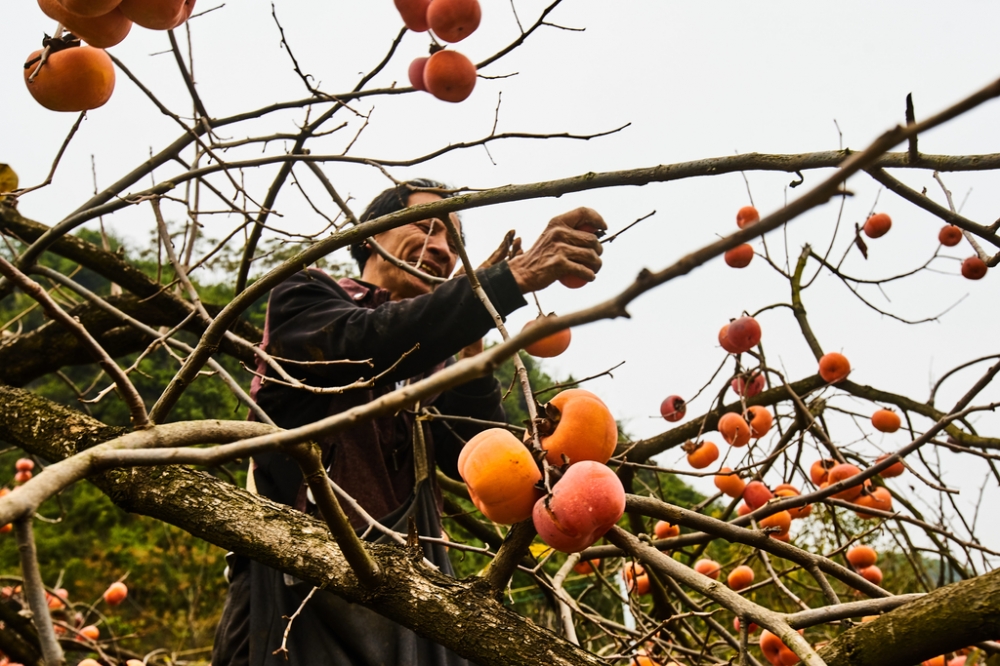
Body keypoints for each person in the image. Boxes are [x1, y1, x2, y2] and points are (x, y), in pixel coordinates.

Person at [212, 179, 606, 666]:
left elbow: (484, 456)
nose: (442, 248)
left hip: (404, 609)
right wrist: (509, 279)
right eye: (427, 226)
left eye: (454, 243)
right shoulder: (305, 297)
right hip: (293, 606)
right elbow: (367, 342)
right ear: (369, 237)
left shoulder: (432, 371)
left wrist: (472, 340)